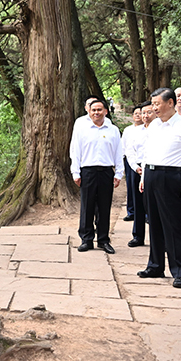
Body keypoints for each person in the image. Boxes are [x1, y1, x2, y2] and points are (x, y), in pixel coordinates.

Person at [137, 88, 181, 288]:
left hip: (172, 177)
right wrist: (144, 177)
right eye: (152, 104)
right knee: (154, 223)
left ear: (170, 103)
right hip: (151, 175)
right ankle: (155, 265)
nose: (154, 108)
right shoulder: (154, 125)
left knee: (173, 225)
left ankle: (180, 270)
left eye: (157, 104)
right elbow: (147, 152)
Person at [70, 99, 124, 254]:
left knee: (104, 207)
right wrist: (75, 172)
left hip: (106, 171)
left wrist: (119, 173)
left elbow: (118, 152)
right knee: (87, 206)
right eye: (93, 110)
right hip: (88, 171)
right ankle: (86, 239)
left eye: (99, 110)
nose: (96, 113)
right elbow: (75, 151)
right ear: (89, 111)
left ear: (105, 111)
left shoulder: (113, 130)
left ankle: (103, 240)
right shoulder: (82, 129)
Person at [124, 101, 153, 246]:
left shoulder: (160, 130)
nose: (145, 116)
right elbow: (129, 151)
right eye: (143, 113)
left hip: (153, 169)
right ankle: (138, 235)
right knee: (138, 203)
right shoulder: (136, 131)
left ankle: (158, 238)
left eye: (149, 112)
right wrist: (135, 167)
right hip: (137, 169)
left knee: (154, 205)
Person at [121, 105, 144, 221]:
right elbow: (123, 146)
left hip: (143, 161)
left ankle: (145, 213)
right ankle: (131, 211)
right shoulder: (128, 130)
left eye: (140, 113)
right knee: (131, 186)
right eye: (135, 113)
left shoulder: (147, 129)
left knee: (143, 187)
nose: (138, 115)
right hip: (130, 161)